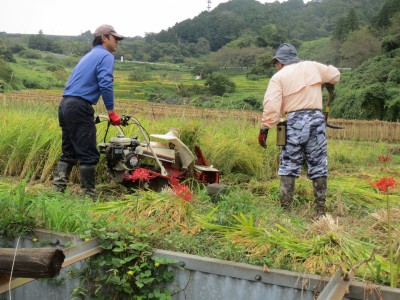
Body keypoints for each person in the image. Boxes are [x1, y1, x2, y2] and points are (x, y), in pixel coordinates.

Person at [258, 43, 340, 216]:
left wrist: (265, 128)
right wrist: (323, 78)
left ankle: (286, 211)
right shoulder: (313, 66)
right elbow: (335, 74)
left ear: (280, 62)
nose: (276, 66)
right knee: (318, 165)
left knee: (289, 165)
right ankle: (320, 210)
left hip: (294, 121)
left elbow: (272, 106)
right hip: (317, 121)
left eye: (276, 63)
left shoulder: (279, 77)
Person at [53, 24, 124, 198]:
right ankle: (88, 196)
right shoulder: (105, 56)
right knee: (88, 153)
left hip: (65, 104)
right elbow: (105, 83)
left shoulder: (89, 56)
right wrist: (112, 112)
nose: (118, 43)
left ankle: (57, 193)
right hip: (79, 106)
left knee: (69, 151)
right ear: (104, 38)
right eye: (115, 38)